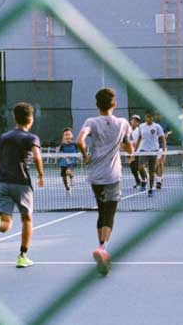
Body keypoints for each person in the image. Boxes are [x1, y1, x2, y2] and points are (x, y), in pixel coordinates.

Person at [76, 88, 134, 275]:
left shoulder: (90, 122)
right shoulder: (123, 123)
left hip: (95, 175)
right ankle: (102, 248)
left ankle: (101, 247)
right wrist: (130, 155)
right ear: (114, 104)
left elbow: (80, 140)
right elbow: (129, 146)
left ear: (96, 105)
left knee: (101, 210)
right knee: (110, 213)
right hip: (112, 175)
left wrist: (85, 155)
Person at [0, 102, 45, 269]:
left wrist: (1, 170)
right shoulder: (32, 138)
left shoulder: (4, 137)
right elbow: (37, 157)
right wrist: (40, 175)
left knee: (6, 224)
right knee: (26, 219)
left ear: (14, 118)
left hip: (2, 183)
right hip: (22, 184)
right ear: (30, 119)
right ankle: (23, 256)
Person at [135, 112, 166, 197]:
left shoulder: (157, 127)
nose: (149, 119)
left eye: (150, 117)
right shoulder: (141, 126)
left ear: (153, 118)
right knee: (140, 167)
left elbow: (163, 139)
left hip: (154, 151)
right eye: (147, 117)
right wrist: (135, 150)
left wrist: (164, 152)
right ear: (145, 117)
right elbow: (139, 138)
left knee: (152, 172)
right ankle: (144, 181)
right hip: (143, 150)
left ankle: (151, 189)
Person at [127, 115, 146, 189]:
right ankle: (138, 182)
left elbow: (141, 140)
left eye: (137, 121)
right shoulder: (127, 131)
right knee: (133, 169)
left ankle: (144, 180)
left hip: (139, 152)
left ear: (138, 123)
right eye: (133, 120)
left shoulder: (139, 130)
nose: (135, 122)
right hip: (130, 152)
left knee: (139, 167)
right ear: (130, 121)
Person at [58, 128, 78, 193]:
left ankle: (72, 179)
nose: (67, 136)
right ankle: (67, 188)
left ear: (72, 135)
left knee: (68, 171)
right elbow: (61, 153)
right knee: (64, 177)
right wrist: (66, 159)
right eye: (65, 135)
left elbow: (78, 152)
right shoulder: (62, 145)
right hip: (63, 162)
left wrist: (77, 157)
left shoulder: (75, 144)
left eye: (69, 134)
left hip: (72, 161)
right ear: (63, 136)